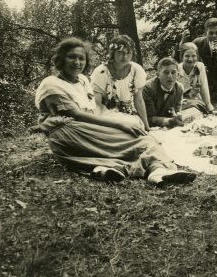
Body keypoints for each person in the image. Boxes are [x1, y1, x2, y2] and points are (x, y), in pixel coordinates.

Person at [34, 37, 195, 185]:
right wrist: (119, 124)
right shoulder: (51, 83)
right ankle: (148, 168)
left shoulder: (82, 80)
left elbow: (93, 112)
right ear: (61, 59)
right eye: (72, 57)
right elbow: (76, 114)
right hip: (69, 133)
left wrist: (122, 122)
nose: (77, 62)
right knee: (133, 138)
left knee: (142, 136)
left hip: (87, 127)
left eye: (81, 58)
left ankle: (155, 170)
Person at [90, 35, 150, 131]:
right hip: (106, 114)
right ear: (113, 53)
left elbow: (138, 100)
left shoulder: (136, 70)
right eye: (120, 52)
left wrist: (147, 127)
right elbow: (96, 104)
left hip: (129, 114)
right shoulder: (101, 72)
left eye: (128, 52)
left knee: (136, 126)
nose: (125, 56)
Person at [143, 57, 185, 128]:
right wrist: (170, 121)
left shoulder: (179, 88)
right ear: (158, 74)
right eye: (166, 72)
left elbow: (177, 112)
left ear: (178, 75)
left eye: (173, 72)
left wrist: (177, 117)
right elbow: (149, 118)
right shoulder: (148, 88)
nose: (170, 76)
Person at [176, 42, 214, 113]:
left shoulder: (200, 66)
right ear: (182, 57)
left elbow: (204, 89)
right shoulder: (176, 70)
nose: (190, 59)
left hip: (196, 102)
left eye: (193, 56)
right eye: (187, 56)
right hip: (179, 103)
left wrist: (209, 106)